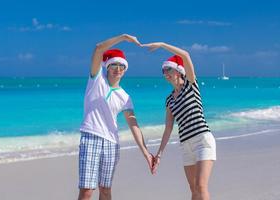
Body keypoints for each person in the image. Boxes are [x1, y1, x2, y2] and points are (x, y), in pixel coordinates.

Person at [78, 34, 153, 200]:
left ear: (125, 70)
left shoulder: (125, 97)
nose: (118, 68)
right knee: (87, 191)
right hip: (91, 138)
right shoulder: (96, 80)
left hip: (112, 143)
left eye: (121, 66)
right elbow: (98, 48)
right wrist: (124, 37)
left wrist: (146, 153)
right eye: (114, 65)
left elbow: (134, 125)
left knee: (105, 189)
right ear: (107, 67)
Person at [143, 42, 217, 200]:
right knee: (193, 189)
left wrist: (162, 45)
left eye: (168, 69)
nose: (165, 73)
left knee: (201, 186)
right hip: (185, 145)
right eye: (163, 71)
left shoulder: (191, 85)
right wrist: (159, 155)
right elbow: (168, 128)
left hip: (202, 140)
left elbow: (186, 55)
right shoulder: (169, 99)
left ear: (179, 70)